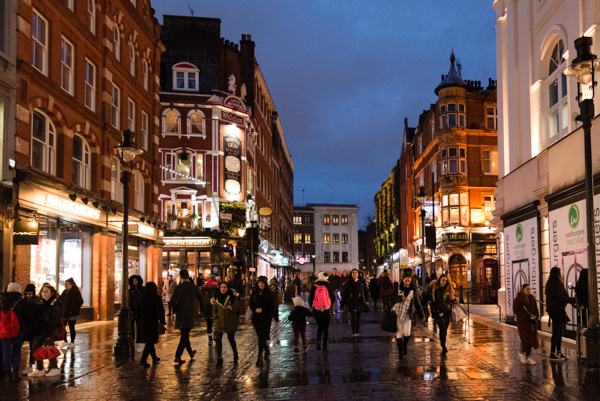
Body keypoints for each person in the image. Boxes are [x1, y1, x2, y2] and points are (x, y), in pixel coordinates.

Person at [28, 285, 62, 378]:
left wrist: (50, 333)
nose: (44, 293)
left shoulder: (55, 303)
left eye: (47, 291)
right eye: (43, 291)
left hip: (49, 330)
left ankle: (55, 368)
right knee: (35, 348)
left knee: (49, 348)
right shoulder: (42, 303)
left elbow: (54, 319)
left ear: (52, 293)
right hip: (40, 330)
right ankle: (40, 369)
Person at [170, 270, 202, 364]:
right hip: (189, 313)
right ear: (188, 276)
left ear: (181, 277)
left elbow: (172, 301)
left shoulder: (178, 288)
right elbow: (201, 299)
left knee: (184, 334)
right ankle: (177, 356)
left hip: (180, 313)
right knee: (185, 335)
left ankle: (191, 353)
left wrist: (176, 309)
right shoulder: (194, 287)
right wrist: (202, 309)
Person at [1, 283, 31, 381]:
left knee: (6, 351)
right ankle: (15, 374)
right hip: (19, 329)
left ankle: (7, 374)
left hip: (4, 330)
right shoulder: (22, 302)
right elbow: (27, 316)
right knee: (17, 351)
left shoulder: (2, 301)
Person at [392, 269, 425, 359]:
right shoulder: (397, 287)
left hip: (408, 314)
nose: (407, 282)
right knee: (399, 333)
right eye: (405, 280)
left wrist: (422, 315)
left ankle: (404, 345)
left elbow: (417, 303)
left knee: (407, 333)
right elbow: (391, 298)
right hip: (398, 313)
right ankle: (400, 352)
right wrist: (399, 298)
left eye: (409, 281)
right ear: (402, 280)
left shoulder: (412, 290)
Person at [249, 276, 281, 366]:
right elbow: (251, 304)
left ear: (265, 284)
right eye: (259, 283)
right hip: (256, 318)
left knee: (261, 336)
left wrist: (277, 319)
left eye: (262, 283)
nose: (260, 284)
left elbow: (273, 307)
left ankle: (259, 357)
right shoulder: (254, 292)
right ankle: (266, 349)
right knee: (261, 336)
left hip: (266, 318)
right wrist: (255, 309)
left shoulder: (269, 294)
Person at [545, 267, 574, 360]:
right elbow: (560, 297)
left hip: (553, 310)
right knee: (557, 332)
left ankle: (558, 352)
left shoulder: (549, 283)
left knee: (558, 331)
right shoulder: (558, 283)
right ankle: (554, 352)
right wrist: (572, 300)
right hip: (557, 310)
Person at [136, 282, 165, 367]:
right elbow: (161, 311)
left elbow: (138, 310)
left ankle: (154, 357)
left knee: (149, 340)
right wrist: (162, 322)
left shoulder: (141, 298)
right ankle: (143, 360)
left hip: (143, 322)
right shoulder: (156, 298)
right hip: (152, 322)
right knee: (150, 341)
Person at [427, 273, 456, 354]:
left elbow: (452, 300)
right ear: (439, 279)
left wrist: (453, 299)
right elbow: (431, 300)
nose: (444, 282)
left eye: (445, 281)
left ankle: (443, 343)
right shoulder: (434, 289)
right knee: (442, 328)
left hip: (447, 312)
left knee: (445, 330)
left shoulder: (448, 289)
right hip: (438, 313)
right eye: (443, 280)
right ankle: (443, 345)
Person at [212, 282, 240, 367]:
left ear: (228, 288)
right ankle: (219, 358)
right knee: (218, 339)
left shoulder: (232, 298)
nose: (223, 289)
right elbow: (214, 310)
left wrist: (232, 308)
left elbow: (237, 308)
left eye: (225, 287)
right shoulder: (216, 299)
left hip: (230, 321)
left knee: (231, 339)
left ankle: (235, 353)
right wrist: (215, 316)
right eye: (221, 287)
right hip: (219, 322)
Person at [309, 272, 335, 353]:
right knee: (326, 328)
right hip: (327, 310)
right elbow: (333, 298)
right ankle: (325, 348)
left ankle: (318, 341)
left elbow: (310, 299)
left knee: (320, 327)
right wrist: (329, 303)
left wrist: (313, 305)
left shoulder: (314, 286)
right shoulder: (328, 285)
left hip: (317, 310)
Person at [513, 284, 539, 365]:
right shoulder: (518, 299)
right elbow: (515, 309)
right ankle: (522, 353)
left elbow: (535, 309)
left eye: (530, 289)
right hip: (523, 322)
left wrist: (536, 316)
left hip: (531, 321)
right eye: (527, 289)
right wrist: (524, 316)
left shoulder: (531, 298)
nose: (529, 290)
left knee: (531, 338)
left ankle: (528, 357)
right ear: (523, 289)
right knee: (525, 339)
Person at [341, 268, 369, 342]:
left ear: (358, 274)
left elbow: (366, 292)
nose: (354, 274)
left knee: (358, 319)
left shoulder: (361, 282)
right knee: (353, 318)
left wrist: (367, 300)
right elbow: (344, 294)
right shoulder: (348, 282)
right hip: (351, 302)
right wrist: (342, 304)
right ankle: (354, 333)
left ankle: (357, 333)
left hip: (360, 302)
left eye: (356, 272)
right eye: (353, 272)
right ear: (351, 274)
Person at [59, 278, 83, 349]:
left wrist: (73, 310)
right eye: (65, 284)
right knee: (63, 327)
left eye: (67, 284)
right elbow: (61, 299)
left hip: (72, 313)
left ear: (71, 284)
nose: (65, 286)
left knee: (71, 327)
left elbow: (80, 302)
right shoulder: (65, 292)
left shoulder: (75, 292)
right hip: (65, 312)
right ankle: (65, 340)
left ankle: (72, 342)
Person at [21, 284, 38, 374]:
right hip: (24, 328)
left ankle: (31, 365)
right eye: (26, 294)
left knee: (33, 347)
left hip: (33, 328)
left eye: (30, 294)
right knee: (18, 347)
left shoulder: (37, 302)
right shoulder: (22, 302)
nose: (28, 296)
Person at [200, 276, 218, 344]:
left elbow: (201, 297)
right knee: (216, 322)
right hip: (215, 307)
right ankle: (215, 335)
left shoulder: (203, 287)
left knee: (209, 324)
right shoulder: (217, 287)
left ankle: (210, 339)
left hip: (207, 307)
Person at [128, 275, 144, 343]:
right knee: (131, 325)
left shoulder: (142, 289)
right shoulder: (130, 290)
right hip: (132, 309)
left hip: (140, 309)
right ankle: (132, 337)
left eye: (136, 280)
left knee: (139, 324)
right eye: (133, 280)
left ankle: (139, 338)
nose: (134, 282)